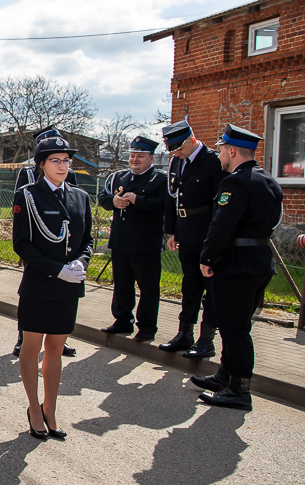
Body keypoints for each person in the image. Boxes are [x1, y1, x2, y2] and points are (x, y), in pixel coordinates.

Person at [192, 125, 282, 411]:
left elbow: (221, 225)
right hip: (259, 260)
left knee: (235, 329)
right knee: (235, 324)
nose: (219, 155)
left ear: (231, 151)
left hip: (236, 264)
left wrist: (207, 258)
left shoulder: (235, 182)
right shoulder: (268, 180)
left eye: (220, 150)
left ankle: (239, 389)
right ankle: (225, 376)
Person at [12, 135, 93, 441]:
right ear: (42, 164)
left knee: (56, 349)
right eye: (55, 160)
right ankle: (34, 407)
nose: (62, 166)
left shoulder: (80, 197)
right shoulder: (27, 195)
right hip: (39, 284)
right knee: (32, 347)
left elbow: (87, 240)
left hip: (68, 287)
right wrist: (57, 269)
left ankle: (51, 408)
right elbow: (22, 244)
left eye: (66, 160)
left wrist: (80, 263)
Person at [159, 120, 225, 357]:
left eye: (179, 148)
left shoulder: (213, 161)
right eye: (172, 149)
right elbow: (172, 197)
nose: (176, 153)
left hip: (207, 233)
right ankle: (184, 334)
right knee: (190, 286)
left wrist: (216, 237)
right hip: (185, 231)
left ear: (192, 140)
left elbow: (221, 204)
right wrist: (172, 231)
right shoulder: (177, 161)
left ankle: (206, 340)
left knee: (210, 289)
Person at [13, 125, 79, 359]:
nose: (61, 164)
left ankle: (59, 337)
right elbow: (20, 206)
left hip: (62, 242)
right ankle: (23, 337)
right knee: (33, 292)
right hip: (37, 240)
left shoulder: (69, 174)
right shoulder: (28, 174)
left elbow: (71, 206)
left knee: (62, 293)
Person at [97, 136, 167, 342]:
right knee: (122, 284)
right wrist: (114, 201)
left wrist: (139, 200)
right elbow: (103, 197)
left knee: (148, 287)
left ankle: (146, 327)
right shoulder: (118, 177)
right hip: (121, 241)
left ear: (152, 158)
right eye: (132, 156)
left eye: (140, 156)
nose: (135, 160)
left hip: (146, 243)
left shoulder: (160, 180)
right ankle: (122, 320)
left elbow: (165, 205)